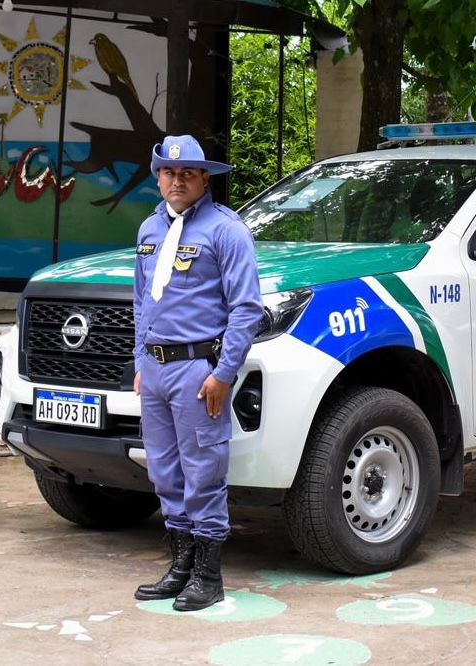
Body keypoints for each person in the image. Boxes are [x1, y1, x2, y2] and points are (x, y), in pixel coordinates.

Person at [132, 135, 263, 611]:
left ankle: (209, 576)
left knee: (203, 470)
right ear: (158, 176)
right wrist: (140, 360)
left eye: (187, 173)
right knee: (165, 471)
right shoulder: (149, 229)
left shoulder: (226, 230)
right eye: (169, 172)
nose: (177, 180)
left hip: (197, 369)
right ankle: (180, 566)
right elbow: (141, 300)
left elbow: (246, 309)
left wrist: (224, 373)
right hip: (157, 367)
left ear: (205, 178)